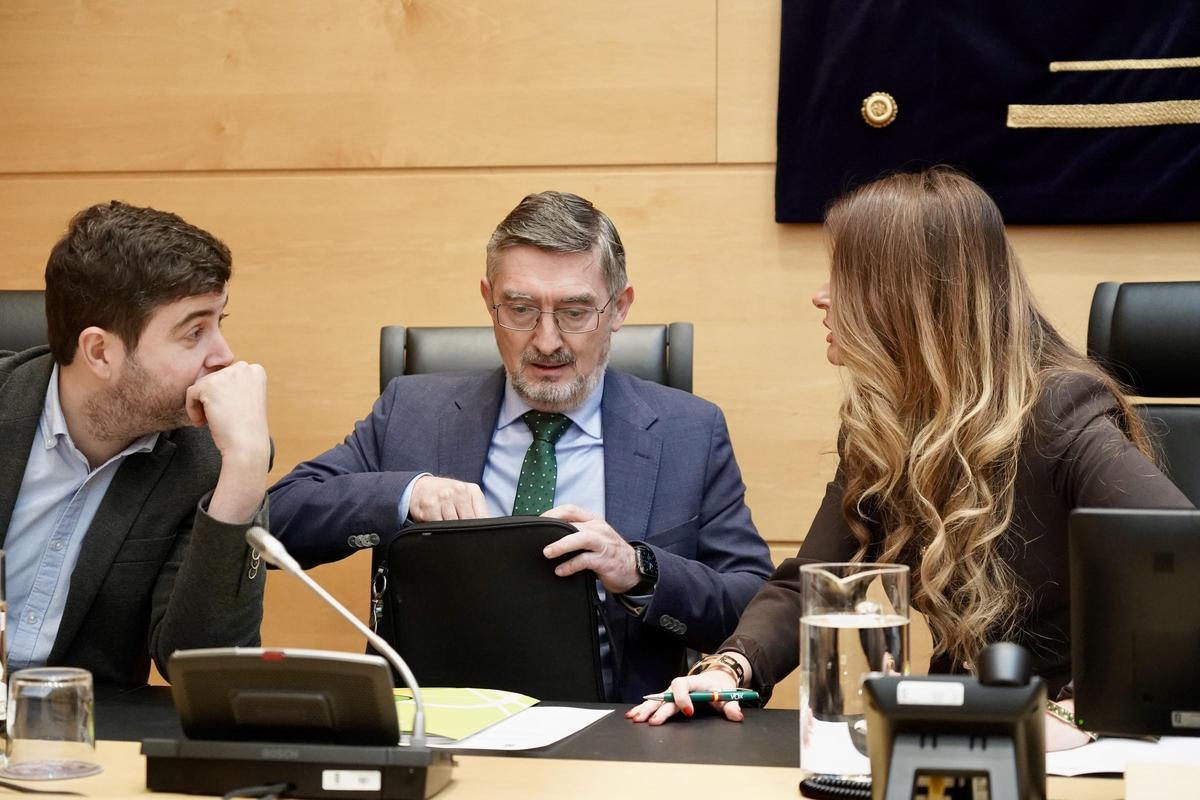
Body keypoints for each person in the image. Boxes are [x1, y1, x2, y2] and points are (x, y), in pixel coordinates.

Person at [628, 168, 1193, 747]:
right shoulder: (882, 425)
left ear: (910, 296)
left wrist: (1077, 716)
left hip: (1069, 746)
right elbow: (810, 586)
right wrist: (727, 670)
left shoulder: (1060, 412)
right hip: (953, 729)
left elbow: (1181, 574)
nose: (820, 296)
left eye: (844, 276)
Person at [268, 190, 774, 703]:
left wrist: (637, 570)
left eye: (575, 313)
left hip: (616, 730)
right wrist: (405, 494)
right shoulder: (413, 413)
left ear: (619, 308)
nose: (547, 340)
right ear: (489, 301)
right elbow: (273, 521)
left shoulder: (687, 431)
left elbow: (754, 603)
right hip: (437, 720)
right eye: (521, 309)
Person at [0, 201, 270, 687]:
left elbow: (208, 673)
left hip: (88, 740)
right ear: (100, 352)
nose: (225, 357)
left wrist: (247, 468)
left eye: (219, 323)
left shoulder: (212, 459)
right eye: (194, 332)